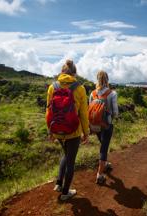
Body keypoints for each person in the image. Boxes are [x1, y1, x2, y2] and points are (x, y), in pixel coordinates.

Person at [46, 60, 89, 201]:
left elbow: (48, 112)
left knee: (66, 154)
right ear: (74, 73)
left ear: (62, 72)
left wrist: (50, 132)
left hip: (57, 129)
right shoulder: (80, 88)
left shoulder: (52, 87)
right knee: (71, 160)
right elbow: (83, 113)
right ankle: (65, 193)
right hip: (73, 131)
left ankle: (58, 183)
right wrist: (86, 133)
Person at [89, 71, 119, 184]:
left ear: (97, 79)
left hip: (95, 125)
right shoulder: (112, 94)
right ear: (107, 79)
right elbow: (115, 113)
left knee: (102, 144)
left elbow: (89, 109)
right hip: (107, 125)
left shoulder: (92, 94)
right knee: (104, 148)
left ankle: (105, 163)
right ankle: (99, 175)